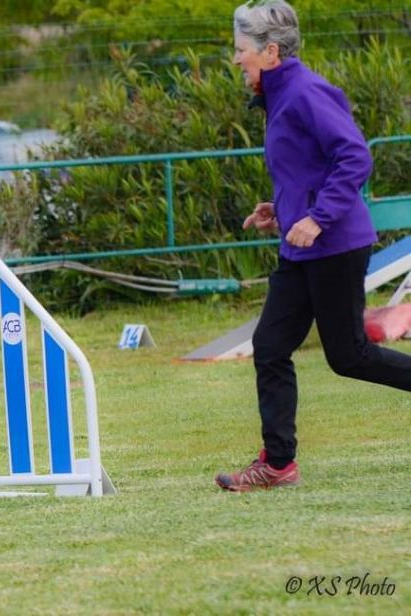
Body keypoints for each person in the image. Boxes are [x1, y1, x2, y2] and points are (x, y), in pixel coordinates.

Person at [215, 0, 411, 491]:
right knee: (270, 346)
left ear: (271, 51)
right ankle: (278, 464)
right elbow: (310, 168)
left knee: (349, 356)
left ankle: (278, 463)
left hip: (335, 245)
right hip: (301, 247)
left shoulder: (305, 92)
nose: (236, 59)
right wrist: (281, 211)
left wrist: (318, 218)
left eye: (242, 50)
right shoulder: (279, 95)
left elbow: (354, 157)